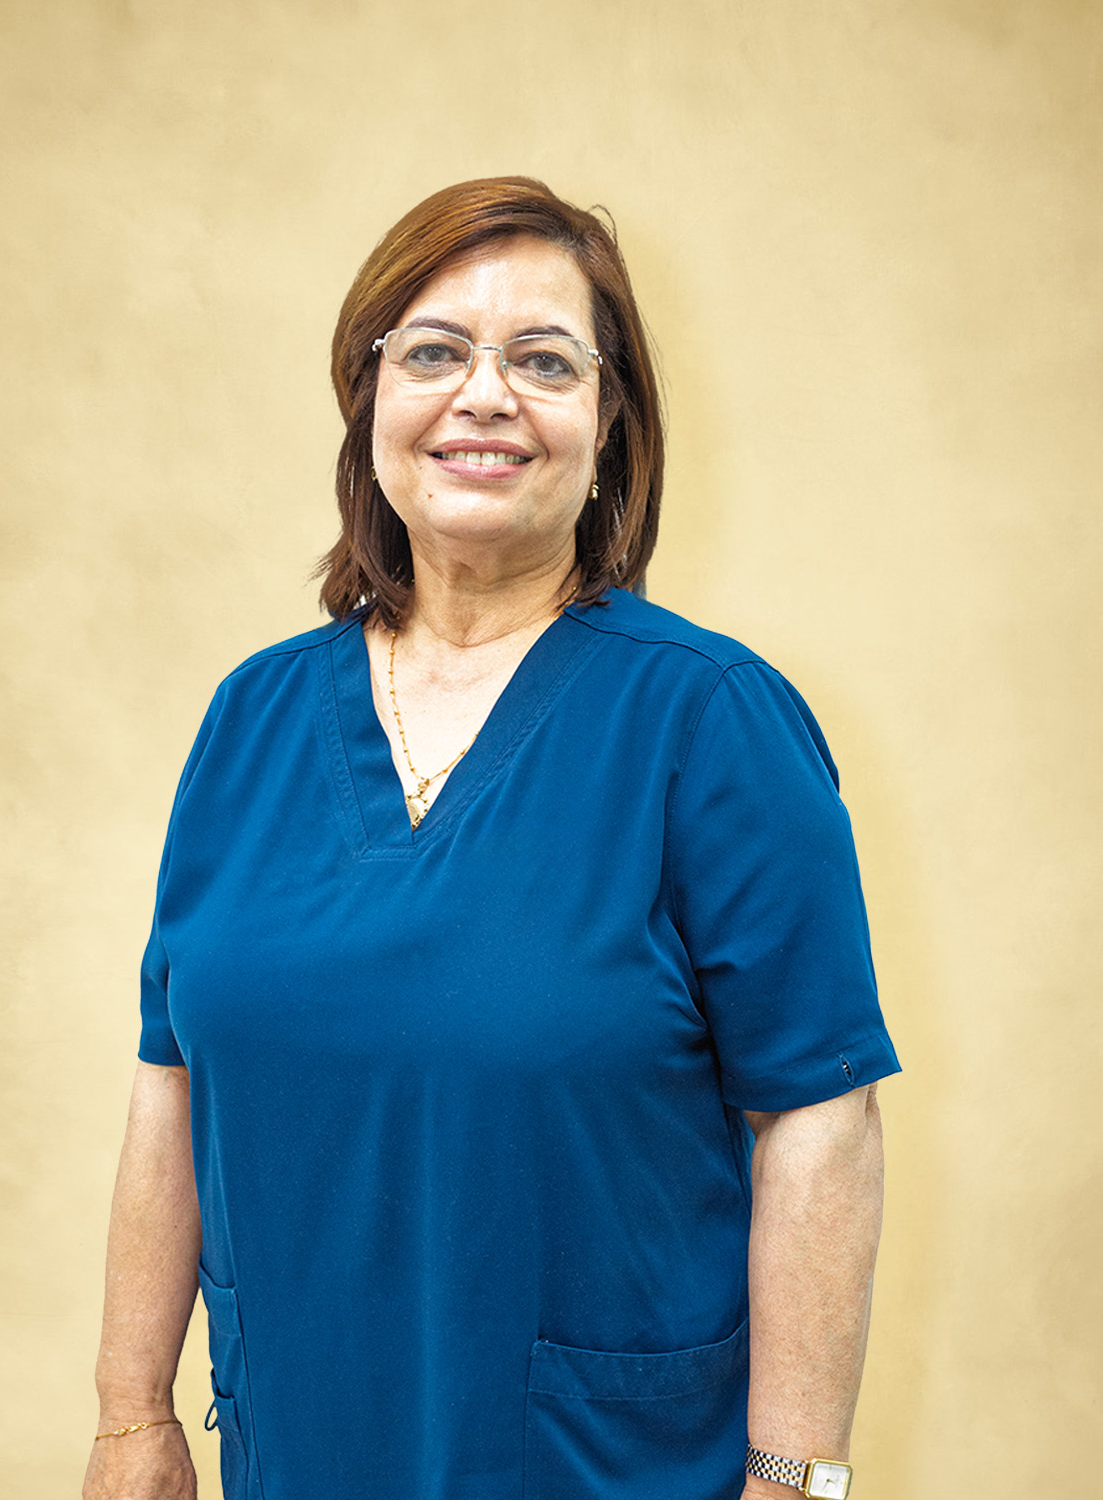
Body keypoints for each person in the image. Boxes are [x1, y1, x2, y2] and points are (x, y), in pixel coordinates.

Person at [83, 176, 899, 1500]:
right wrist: (131, 1418)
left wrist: (794, 1479)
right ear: (369, 399)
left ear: (609, 420)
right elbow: (170, 1078)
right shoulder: (253, 717)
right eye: (434, 353)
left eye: (544, 360)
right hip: (299, 1450)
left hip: (597, 1466)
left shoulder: (710, 720)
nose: (484, 396)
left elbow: (821, 1112)